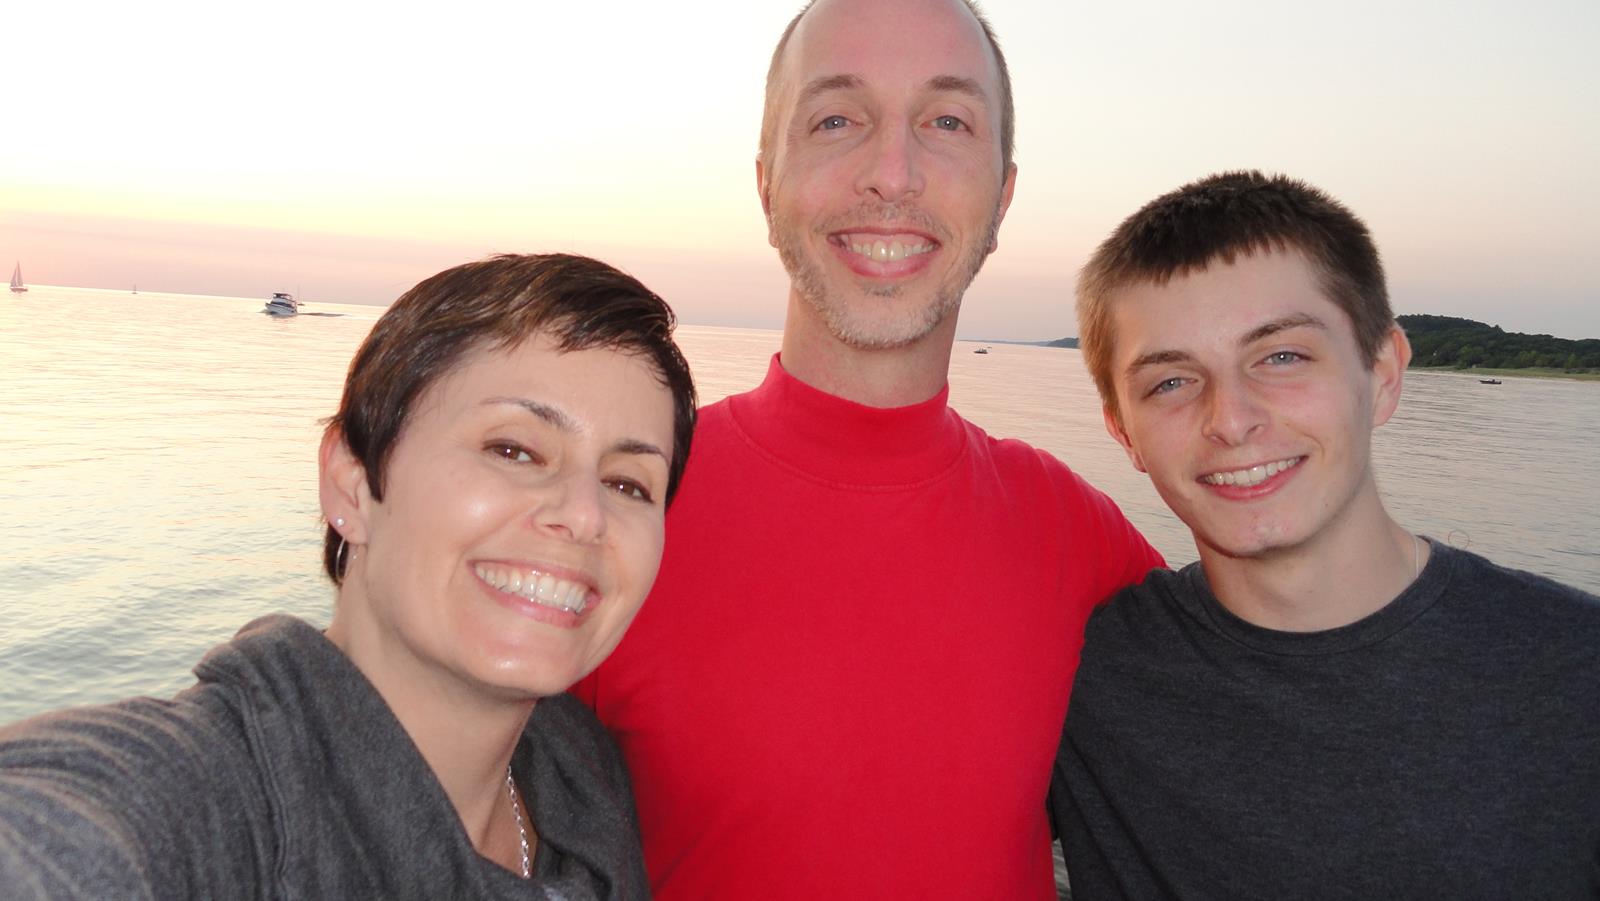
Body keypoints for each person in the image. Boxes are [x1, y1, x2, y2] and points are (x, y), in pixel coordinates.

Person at [571, 1, 1161, 897]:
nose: (893, 174)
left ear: (1002, 196)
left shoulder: (1077, 536)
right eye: (837, 120)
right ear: (767, 184)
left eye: (947, 122)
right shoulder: (617, 508)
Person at [0, 253, 696, 900]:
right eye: (513, 449)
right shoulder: (201, 797)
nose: (584, 516)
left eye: (628, 484)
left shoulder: (584, 777)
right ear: (352, 484)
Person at [1051, 171, 1600, 898]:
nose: (1231, 419)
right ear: (1125, 433)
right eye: (1171, 382)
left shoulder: (1576, 672)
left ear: (1383, 373)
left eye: (1282, 356)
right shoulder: (1076, 678)